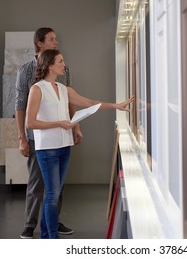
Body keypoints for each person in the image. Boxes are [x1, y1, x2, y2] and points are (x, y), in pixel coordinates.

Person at [26, 49, 133, 239]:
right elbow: (30, 123)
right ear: (50, 65)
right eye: (60, 61)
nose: (63, 64)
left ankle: (45, 234)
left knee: (55, 195)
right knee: (51, 194)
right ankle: (51, 238)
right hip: (47, 149)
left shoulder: (64, 89)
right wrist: (59, 123)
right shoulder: (37, 89)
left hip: (64, 146)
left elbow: (90, 102)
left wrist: (115, 105)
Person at [15, 27, 82, 239]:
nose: (56, 42)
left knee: (57, 186)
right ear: (40, 44)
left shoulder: (64, 69)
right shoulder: (26, 71)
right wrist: (22, 138)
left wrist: (76, 125)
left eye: (56, 39)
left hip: (61, 136)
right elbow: (20, 107)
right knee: (37, 183)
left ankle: (53, 221)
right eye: (52, 39)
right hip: (38, 138)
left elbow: (69, 99)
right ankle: (29, 224)